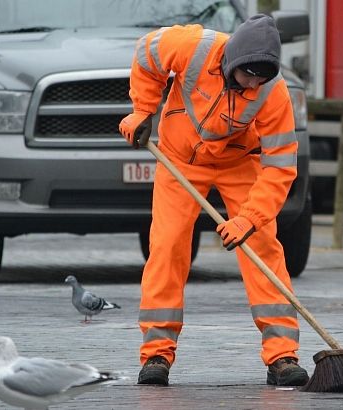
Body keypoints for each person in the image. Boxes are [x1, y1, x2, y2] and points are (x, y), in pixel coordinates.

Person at [119, 14, 309, 387]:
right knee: (168, 245)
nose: (254, 84)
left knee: (263, 246)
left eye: (262, 78)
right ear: (232, 60)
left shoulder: (274, 93)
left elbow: (281, 167)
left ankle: (282, 355)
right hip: (179, 160)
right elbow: (146, 54)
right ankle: (156, 353)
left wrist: (250, 218)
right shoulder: (191, 46)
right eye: (248, 76)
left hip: (240, 163)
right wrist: (143, 109)